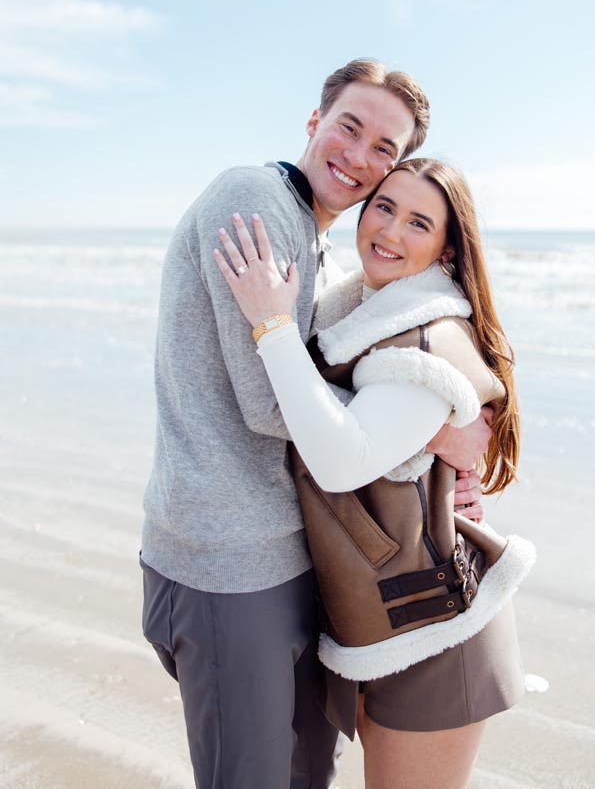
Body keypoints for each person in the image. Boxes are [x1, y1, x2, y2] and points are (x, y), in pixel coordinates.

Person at [140, 59, 493, 789]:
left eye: (383, 150)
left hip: (289, 553)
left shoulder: (314, 241)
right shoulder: (254, 201)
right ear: (314, 122)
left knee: (307, 775)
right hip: (225, 555)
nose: (359, 158)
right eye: (348, 128)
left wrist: (430, 418)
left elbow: (325, 379)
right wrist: (431, 429)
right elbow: (271, 405)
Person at [213, 157, 535, 789]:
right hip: (385, 616)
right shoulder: (358, 315)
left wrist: (270, 322)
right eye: (384, 207)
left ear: (447, 250)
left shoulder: (422, 344)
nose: (390, 231)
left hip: (438, 632)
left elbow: (339, 462)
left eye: (420, 222)